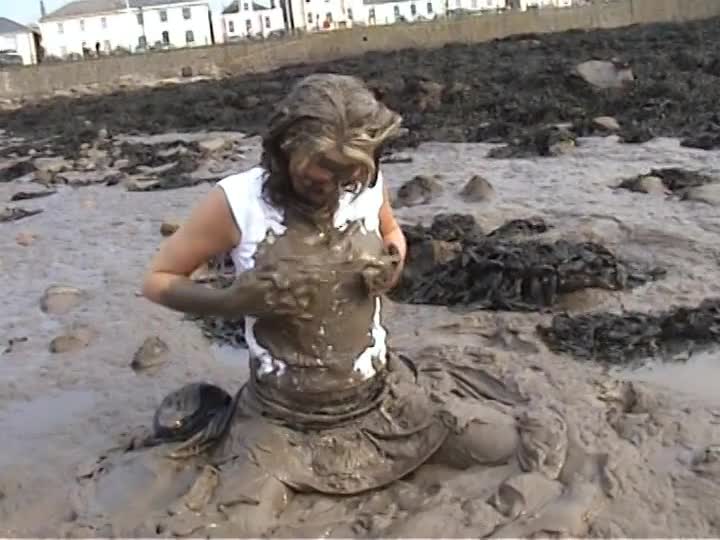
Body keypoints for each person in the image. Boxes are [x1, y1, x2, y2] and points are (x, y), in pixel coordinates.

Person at [73, 74, 524, 538]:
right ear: (285, 148)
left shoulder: (365, 182)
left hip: (377, 397)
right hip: (283, 417)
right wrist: (230, 300)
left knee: (501, 444)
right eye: (318, 172)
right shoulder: (238, 203)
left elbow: (392, 233)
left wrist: (392, 263)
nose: (334, 186)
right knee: (240, 524)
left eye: (349, 175)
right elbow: (157, 280)